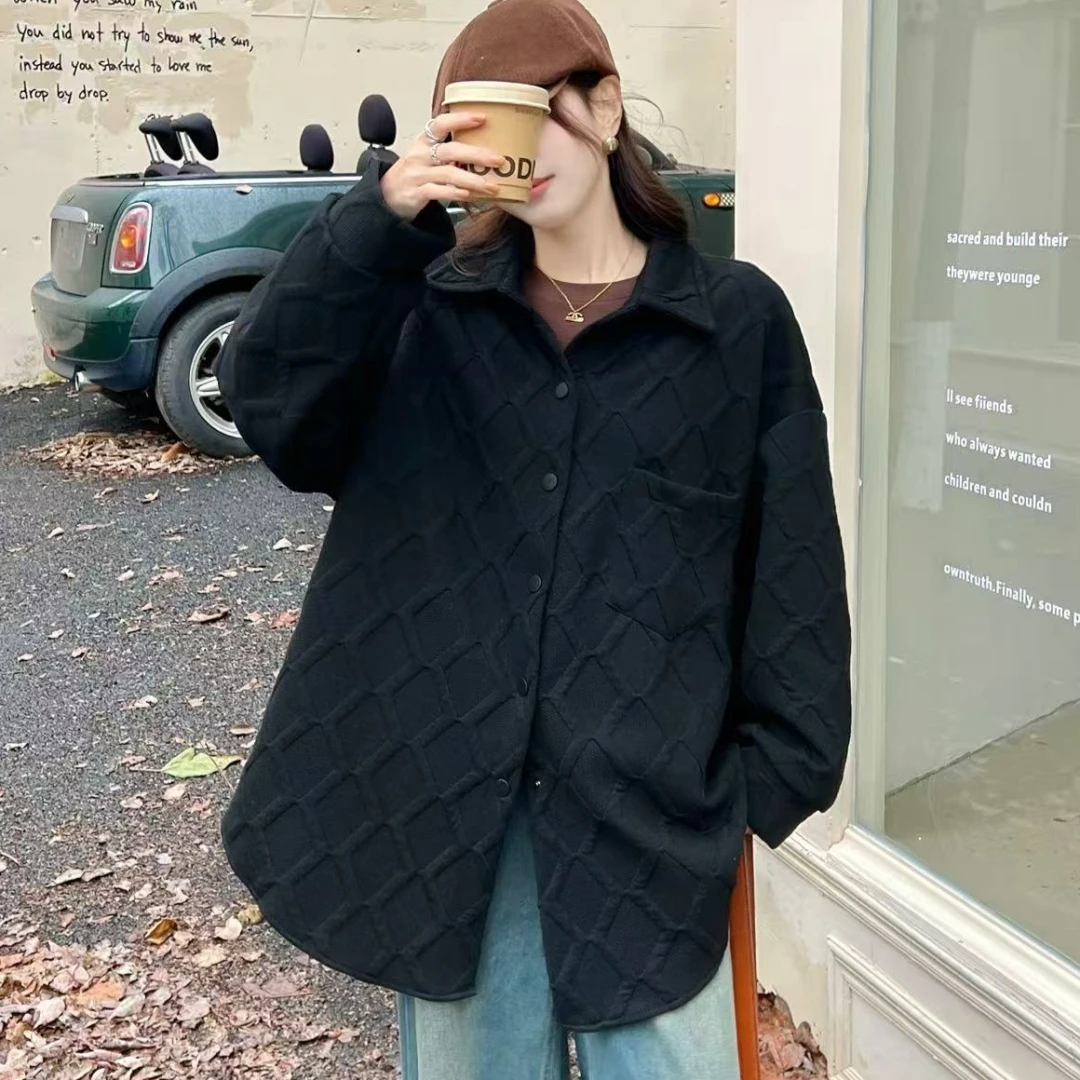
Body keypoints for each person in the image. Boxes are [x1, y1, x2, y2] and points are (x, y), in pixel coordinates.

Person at [216, 0, 852, 1076]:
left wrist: (761, 786)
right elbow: (273, 406)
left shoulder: (735, 323)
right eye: (475, 123)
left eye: (536, 108)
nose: (517, 145)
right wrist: (378, 217)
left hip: (653, 823)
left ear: (605, 107)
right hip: (449, 817)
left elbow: (793, 570)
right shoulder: (424, 309)